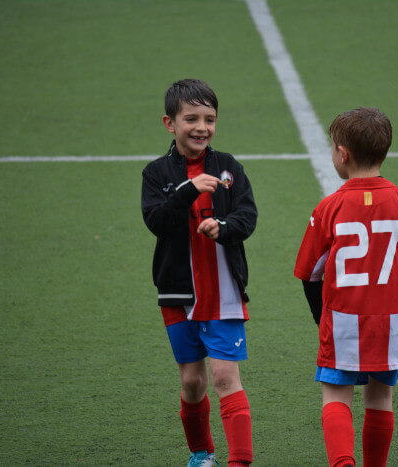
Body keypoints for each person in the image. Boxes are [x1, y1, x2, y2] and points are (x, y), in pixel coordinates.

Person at [293, 107, 398, 467]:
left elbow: (310, 273)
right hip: (393, 320)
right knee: (380, 396)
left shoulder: (330, 207)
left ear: (342, 154)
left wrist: (321, 319)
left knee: (336, 395)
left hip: (344, 319)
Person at [142, 79, 257, 467]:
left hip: (223, 292)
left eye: (209, 119)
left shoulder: (229, 167)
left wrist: (222, 229)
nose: (201, 127)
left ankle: (239, 462)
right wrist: (188, 190)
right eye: (191, 118)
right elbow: (157, 221)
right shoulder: (156, 173)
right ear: (169, 123)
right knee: (192, 382)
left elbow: (247, 216)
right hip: (178, 293)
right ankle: (201, 454)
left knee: (225, 379)